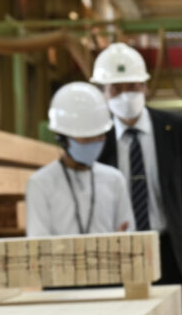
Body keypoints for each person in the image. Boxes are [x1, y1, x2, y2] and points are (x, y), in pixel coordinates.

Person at [92, 42, 182, 315]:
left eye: (133, 86)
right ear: (103, 92)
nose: (126, 95)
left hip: (169, 247)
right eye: (116, 88)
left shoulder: (175, 129)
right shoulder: (96, 139)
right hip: (121, 250)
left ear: (145, 87)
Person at [26, 82, 133, 237]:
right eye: (87, 138)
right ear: (63, 138)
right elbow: (39, 244)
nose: (96, 142)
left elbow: (128, 232)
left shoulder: (114, 180)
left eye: (100, 136)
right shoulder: (41, 183)